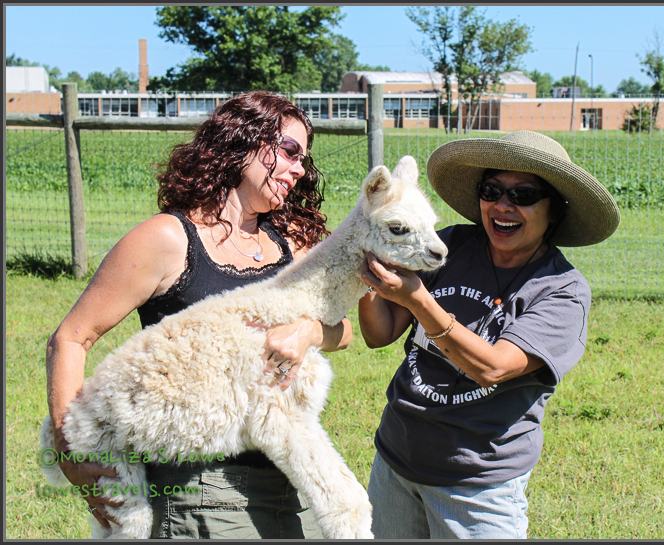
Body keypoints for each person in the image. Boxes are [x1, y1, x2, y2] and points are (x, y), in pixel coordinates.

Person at [45, 91, 351, 539]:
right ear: (243, 142)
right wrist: (67, 447)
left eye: (304, 158)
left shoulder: (289, 241)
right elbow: (71, 337)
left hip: (290, 479)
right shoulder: (168, 239)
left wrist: (309, 331)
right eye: (289, 151)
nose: (300, 168)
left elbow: (342, 332)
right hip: (202, 491)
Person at [358, 131, 620, 539]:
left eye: (524, 195)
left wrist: (418, 300)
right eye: (491, 190)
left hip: (478, 484)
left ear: (555, 210)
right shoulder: (452, 245)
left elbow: (493, 367)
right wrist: (371, 267)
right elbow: (379, 333)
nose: (502, 205)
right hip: (395, 460)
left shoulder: (561, 291)